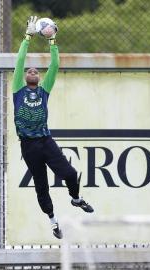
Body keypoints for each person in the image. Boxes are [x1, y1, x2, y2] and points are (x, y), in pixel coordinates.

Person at [12, 16, 94, 239]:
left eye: (35, 70)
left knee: (70, 174)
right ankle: (53, 221)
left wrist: (53, 40)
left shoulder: (43, 90)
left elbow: (55, 65)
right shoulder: (18, 89)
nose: (32, 70)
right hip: (28, 146)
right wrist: (27, 38)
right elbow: (19, 61)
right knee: (41, 187)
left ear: (39, 78)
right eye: (29, 70)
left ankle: (76, 199)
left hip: (45, 141)